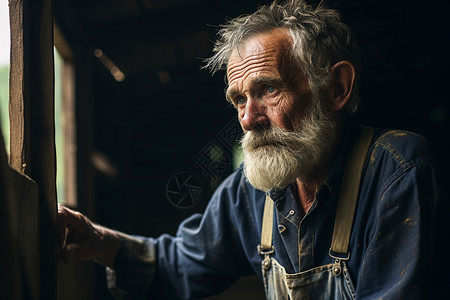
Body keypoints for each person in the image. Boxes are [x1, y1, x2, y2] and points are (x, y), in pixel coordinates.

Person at [57, 0, 449, 299]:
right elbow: (179, 264)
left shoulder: (399, 172)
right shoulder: (251, 194)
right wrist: (97, 241)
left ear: (337, 89)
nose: (248, 118)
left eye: (268, 89)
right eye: (239, 100)